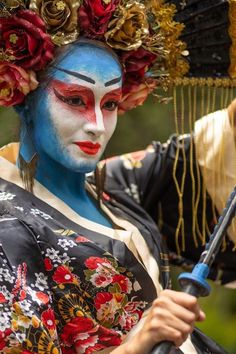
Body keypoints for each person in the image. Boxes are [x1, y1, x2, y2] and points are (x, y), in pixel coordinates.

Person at [0, 1, 235, 354]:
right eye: (75, 100)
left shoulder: (111, 186)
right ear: (21, 94)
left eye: (109, 103)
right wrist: (136, 343)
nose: (96, 125)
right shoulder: (7, 224)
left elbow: (195, 159)